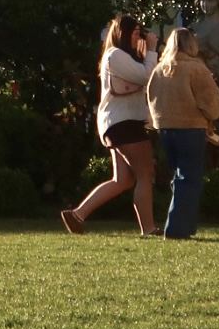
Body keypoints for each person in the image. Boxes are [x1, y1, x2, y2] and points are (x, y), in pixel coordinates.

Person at [62, 16, 156, 235]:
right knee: (146, 174)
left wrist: (146, 55)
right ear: (122, 34)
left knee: (123, 180)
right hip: (125, 122)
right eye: (135, 33)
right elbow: (146, 76)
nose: (139, 38)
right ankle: (149, 228)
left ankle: (78, 215)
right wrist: (152, 51)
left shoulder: (121, 57)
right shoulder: (115, 55)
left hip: (117, 123)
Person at [145, 27, 219, 240]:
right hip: (191, 128)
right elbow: (211, 103)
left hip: (165, 129)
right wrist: (217, 113)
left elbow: (151, 99)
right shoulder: (196, 68)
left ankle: (187, 225)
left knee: (179, 178)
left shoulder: (160, 69)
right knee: (189, 178)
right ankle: (177, 228)